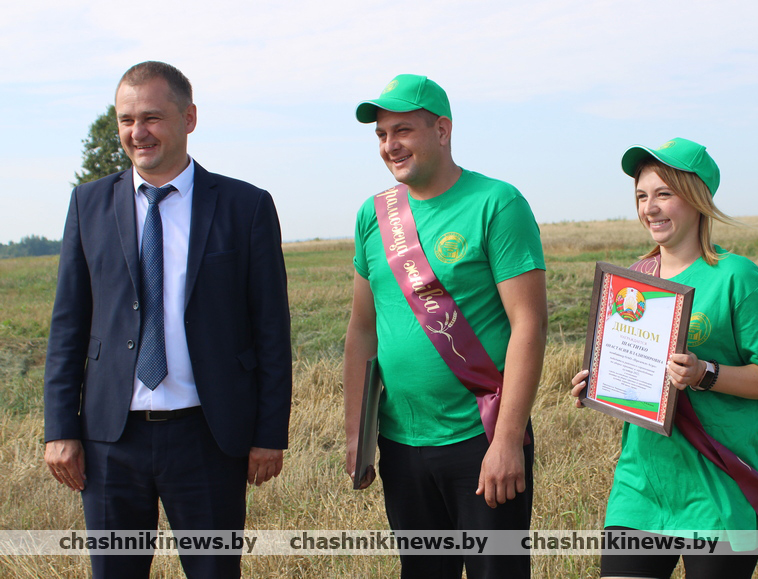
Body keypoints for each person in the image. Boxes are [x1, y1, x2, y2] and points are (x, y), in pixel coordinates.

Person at [43, 61, 292, 579]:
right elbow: (68, 324)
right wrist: (59, 428)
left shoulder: (245, 206)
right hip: (111, 441)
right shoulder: (88, 204)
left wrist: (270, 433)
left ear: (189, 118)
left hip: (208, 437)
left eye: (152, 117)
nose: (138, 132)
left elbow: (271, 329)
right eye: (126, 120)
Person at [343, 74, 548, 578]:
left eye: (402, 131)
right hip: (401, 444)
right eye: (382, 135)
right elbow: (362, 330)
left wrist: (507, 441)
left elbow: (529, 324)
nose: (390, 145)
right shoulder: (374, 215)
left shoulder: (498, 203)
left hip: (481, 437)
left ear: (442, 129)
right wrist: (356, 434)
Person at [570, 138, 758, 579]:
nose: (649, 208)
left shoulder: (738, 277)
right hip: (641, 484)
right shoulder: (634, 279)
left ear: (697, 199)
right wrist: (598, 382)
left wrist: (704, 373)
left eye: (663, 194)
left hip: (717, 487)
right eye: (641, 196)